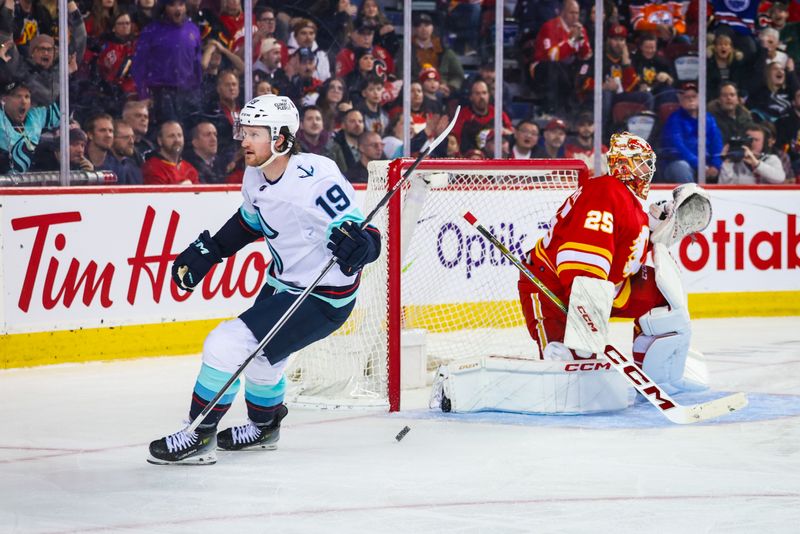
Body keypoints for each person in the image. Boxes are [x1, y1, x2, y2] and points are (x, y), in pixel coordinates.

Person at [147, 95, 381, 465]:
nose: (244, 141)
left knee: (226, 344)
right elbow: (249, 222)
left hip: (322, 297)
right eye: (244, 131)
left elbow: (361, 234)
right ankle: (265, 427)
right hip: (283, 284)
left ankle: (198, 434)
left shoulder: (315, 179)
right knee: (263, 361)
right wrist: (211, 251)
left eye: (254, 133)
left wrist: (363, 246)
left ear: (282, 139)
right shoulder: (255, 174)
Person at [659, 81, 723, 183]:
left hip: (706, 166)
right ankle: (691, 197)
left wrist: (715, 165)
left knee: (727, 167)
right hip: (679, 163)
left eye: (694, 96)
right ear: (680, 100)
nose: (691, 99)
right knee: (681, 167)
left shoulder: (709, 119)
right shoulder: (674, 120)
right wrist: (700, 166)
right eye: (686, 96)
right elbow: (679, 148)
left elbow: (717, 144)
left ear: (699, 98)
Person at [0, 79, 59, 173]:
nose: (23, 101)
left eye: (27, 96)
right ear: (4, 99)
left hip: (28, 182)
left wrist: (66, 73)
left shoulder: (35, 116)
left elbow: (62, 108)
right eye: (17, 96)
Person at [719, 123, 786, 184]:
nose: (752, 143)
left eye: (756, 140)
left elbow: (780, 178)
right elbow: (724, 185)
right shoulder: (736, 161)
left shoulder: (771, 159)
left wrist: (756, 163)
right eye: (749, 139)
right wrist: (727, 162)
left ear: (764, 143)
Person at [142, 120, 199, 184]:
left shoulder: (189, 169)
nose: (177, 140)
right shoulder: (152, 168)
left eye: (179, 135)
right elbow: (157, 193)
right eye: (171, 136)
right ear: (160, 141)